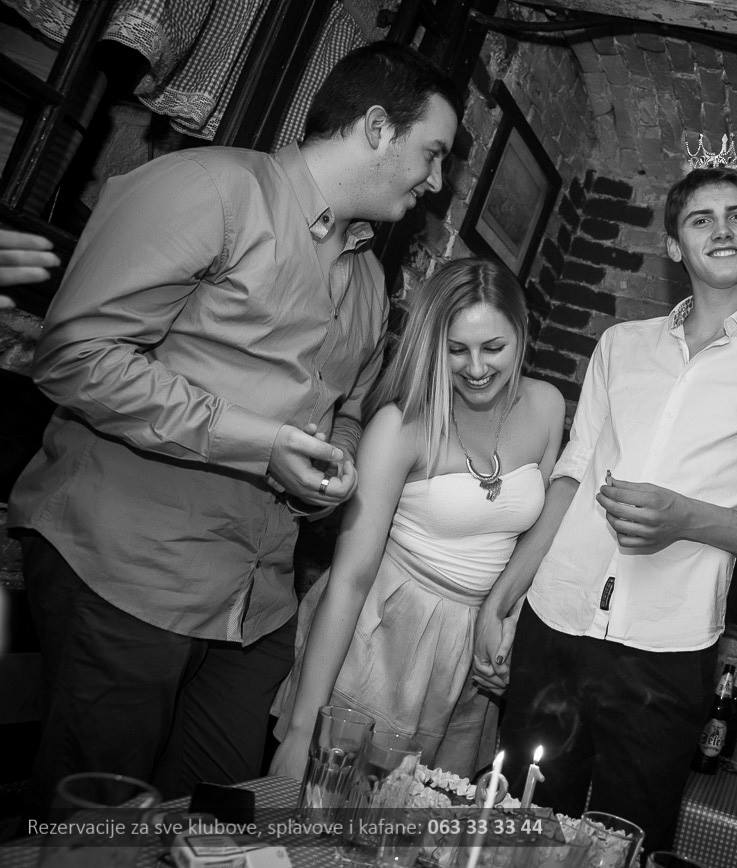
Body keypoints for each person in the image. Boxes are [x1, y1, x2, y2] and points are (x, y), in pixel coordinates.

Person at [7, 42, 460, 807]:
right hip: (128, 568)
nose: (436, 182)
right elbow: (75, 356)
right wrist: (260, 443)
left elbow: (347, 409)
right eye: (434, 153)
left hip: (256, 606)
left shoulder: (367, 280)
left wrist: (334, 465)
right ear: (379, 128)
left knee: (213, 827)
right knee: (97, 828)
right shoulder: (211, 188)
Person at [480, 166, 737, 853]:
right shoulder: (621, 344)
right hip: (556, 622)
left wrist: (688, 520)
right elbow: (572, 475)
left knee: (625, 846)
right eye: (701, 219)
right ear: (675, 246)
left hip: (667, 652)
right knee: (519, 831)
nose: (722, 230)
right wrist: (504, 596)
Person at [269, 258, 564, 779]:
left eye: (494, 347)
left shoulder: (547, 406)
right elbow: (351, 578)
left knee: (421, 817)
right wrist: (300, 728)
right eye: (457, 349)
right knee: (333, 807)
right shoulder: (400, 425)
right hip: (384, 636)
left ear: (522, 334)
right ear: (433, 344)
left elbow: (532, 546)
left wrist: (508, 621)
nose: (476, 367)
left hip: (470, 649)